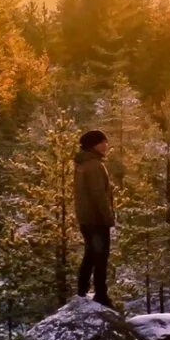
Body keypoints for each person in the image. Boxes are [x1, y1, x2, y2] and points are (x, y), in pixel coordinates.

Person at [74, 129, 116, 306]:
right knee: (100, 256)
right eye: (103, 142)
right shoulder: (94, 165)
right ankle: (101, 295)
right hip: (96, 220)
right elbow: (99, 195)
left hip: (86, 219)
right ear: (94, 145)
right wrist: (108, 218)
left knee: (90, 255)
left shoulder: (83, 164)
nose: (106, 145)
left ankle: (82, 291)